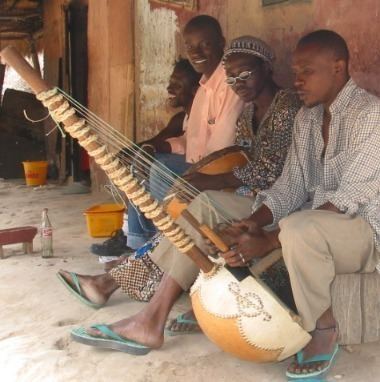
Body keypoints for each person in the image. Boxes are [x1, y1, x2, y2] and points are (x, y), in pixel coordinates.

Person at [64, 35, 301, 346]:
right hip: (254, 197)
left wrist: (213, 181)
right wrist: (215, 179)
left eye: (246, 73)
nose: (237, 82)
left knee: (197, 210)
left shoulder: (287, 107)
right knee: (189, 213)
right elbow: (242, 157)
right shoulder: (247, 113)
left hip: (282, 203)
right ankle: (115, 286)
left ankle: (139, 309)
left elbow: (270, 173)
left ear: (267, 69)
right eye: (231, 76)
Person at [121, 14, 245, 251]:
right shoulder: (204, 86)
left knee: (160, 168)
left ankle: (164, 242)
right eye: (190, 46)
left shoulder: (229, 83)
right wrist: (160, 147)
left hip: (216, 171)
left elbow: (222, 149)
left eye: (204, 45)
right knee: (145, 162)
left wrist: (191, 171)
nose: (196, 52)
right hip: (197, 164)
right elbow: (192, 139)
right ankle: (139, 243)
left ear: (221, 42)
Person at [90, 58, 201, 257]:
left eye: (177, 84)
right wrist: (126, 154)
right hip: (178, 177)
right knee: (140, 163)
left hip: (198, 176)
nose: (169, 87)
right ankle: (134, 240)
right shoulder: (180, 119)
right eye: (170, 82)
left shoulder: (203, 117)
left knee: (156, 165)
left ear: (195, 89)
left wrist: (145, 153)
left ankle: (159, 239)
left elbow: (172, 146)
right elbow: (155, 141)